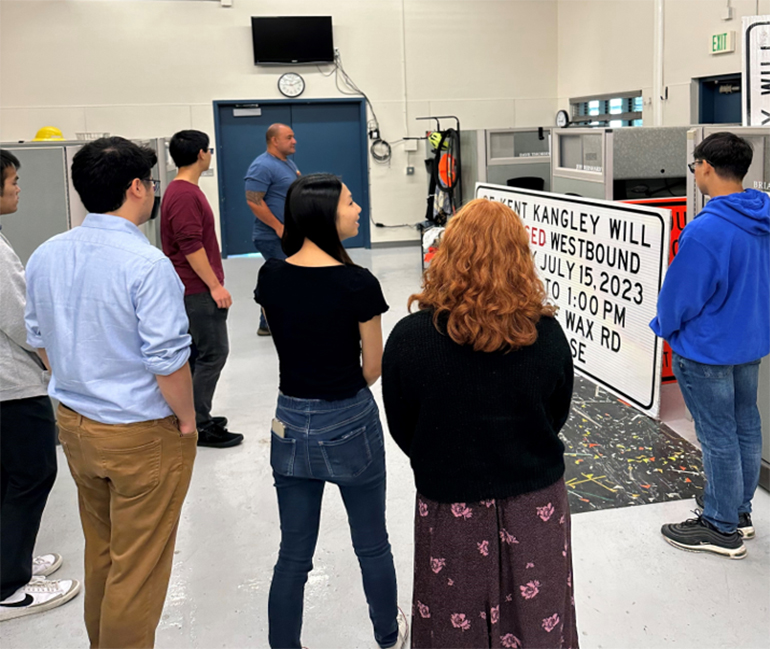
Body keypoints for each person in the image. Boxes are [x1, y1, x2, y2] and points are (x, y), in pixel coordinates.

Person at [24, 137, 197, 648]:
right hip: (141, 433)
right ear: (137, 187)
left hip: (76, 426)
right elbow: (168, 361)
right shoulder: (146, 264)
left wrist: (80, 381)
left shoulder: (46, 253)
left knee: (101, 550)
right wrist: (186, 421)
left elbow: (40, 340)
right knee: (138, 568)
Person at [382, 198, 578, 649]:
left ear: (446, 253)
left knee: (452, 629)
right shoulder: (546, 335)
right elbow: (556, 414)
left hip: (450, 503)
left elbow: (403, 425)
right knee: (539, 620)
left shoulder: (410, 339)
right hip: (536, 504)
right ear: (520, 259)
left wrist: (446, 452)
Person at [254, 173, 407, 649]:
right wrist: (342, 387)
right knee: (371, 543)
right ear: (325, 215)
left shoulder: (271, 275)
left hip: (289, 422)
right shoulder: (357, 283)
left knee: (293, 555)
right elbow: (373, 366)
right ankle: (387, 634)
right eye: (349, 202)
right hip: (349, 422)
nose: (358, 208)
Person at [651, 131, 769, 560]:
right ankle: (738, 511)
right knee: (745, 425)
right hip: (750, 341)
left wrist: (665, 325)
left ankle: (719, 527)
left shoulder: (707, 230)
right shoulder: (764, 218)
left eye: (694, 166)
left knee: (717, 434)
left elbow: (681, 297)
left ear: (705, 167)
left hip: (707, 349)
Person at [0, 149, 80, 620]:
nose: (18, 187)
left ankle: (11, 561)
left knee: (8, 477)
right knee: (32, 475)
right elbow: (20, 322)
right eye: (12, 180)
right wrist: (56, 366)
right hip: (13, 386)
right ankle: (9, 588)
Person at [161, 130, 243, 449]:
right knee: (214, 353)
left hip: (192, 286)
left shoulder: (184, 189)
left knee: (198, 354)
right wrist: (215, 286)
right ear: (200, 154)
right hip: (196, 289)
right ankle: (198, 423)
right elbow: (190, 245)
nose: (210, 154)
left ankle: (192, 414)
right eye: (208, 149)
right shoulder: (183, 194)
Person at [245, 123, 301, 336]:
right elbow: (253, 200)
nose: (294, 141)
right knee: (284, 278)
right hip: (271, 236)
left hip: (287, 234)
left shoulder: (286, 163)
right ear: (274, 140)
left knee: (282, 278)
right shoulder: (262, 165)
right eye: (289, 137)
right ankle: (274, 323)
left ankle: (267, 323)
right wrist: (279, 227)